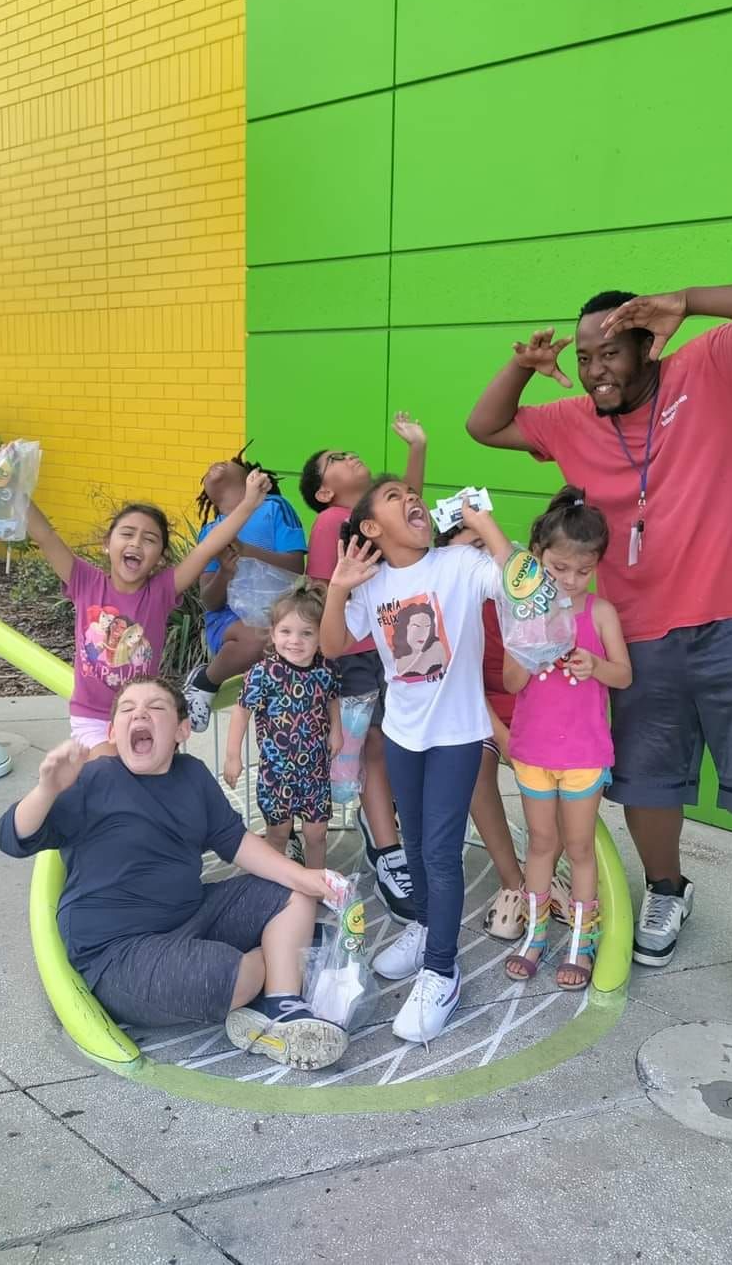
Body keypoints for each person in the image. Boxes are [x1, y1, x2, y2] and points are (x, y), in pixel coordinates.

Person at [467, 281, 732, 1036]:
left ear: (647, 345)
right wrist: (525, 368)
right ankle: (668, 889)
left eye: (611, 352)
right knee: (647, 780)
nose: (597, 369)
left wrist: (692, 300)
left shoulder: (718, 362)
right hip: (639, 631)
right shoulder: (570, 420)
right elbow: (484, 425)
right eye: (587, 355)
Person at [0, 678, 348, 1070]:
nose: (140, 714)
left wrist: (307, 879)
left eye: (156, 708)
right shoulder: (93, 779)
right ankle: (280, 962)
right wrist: (47, 790)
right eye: (127, 709)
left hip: (191, 914)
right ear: (113, 733)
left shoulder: (192, 775)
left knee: (292, 890)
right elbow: (12, 838)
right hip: (119, 951)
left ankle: (282, 1008)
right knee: (231, 977)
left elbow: (235, 841)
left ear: (182, 730)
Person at [321, 477, 512, 1044]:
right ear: (373, 528)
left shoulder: (457, 563)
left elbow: (517, 586)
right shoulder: (373, 582)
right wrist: (337, 589)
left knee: (440, 851)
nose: (412, 499)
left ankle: (442, 971)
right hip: (404, 734)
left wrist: (484, 525)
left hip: (459, 734)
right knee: (415, 845)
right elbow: (331, 645)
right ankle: (428, 926)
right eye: (393, 497)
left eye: (413, 492)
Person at [27, 470, 270, 753]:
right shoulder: (84, 581)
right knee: (108, 768)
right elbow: (45, 536)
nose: (136, 543)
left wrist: (249, 503)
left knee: (148, 779)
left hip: (143, 715)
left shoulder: (161, 591)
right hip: (94, 717)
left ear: (161, 558)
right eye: (127, 534)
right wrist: (15, 487)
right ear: (107, 544)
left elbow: (206, 549)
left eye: (149, 539)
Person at [299, 413, 427, 923]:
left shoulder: (371, 519)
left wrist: (416, 447)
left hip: (386, 647)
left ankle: (387, 834)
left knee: (387, 743)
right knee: (375, 743)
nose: (347, 456)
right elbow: (320, 594)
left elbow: (406, 513)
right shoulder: (333, 523)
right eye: (334, 461)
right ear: (325, 493)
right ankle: (387, 846)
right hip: (356, 654)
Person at [502, 489, 631, 990]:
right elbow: (512, 683)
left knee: (579, 847)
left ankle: (582, 937)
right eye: (559, 569)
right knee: (540, 844)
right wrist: (532, 651)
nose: (572, 581)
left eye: (584, 570)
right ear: (536, 557)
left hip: (583, 753)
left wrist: (595, 665)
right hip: (534, 750)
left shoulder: (601, 613)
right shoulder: (523, 613)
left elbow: (623, 675)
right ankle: (534, 935)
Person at [435, 519, 571, 941]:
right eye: (465, 552)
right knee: (472, 764)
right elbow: (462, 684)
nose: (477, 558)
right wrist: (503, 735)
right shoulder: (446, 604)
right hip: (482, 706)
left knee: (571, 766)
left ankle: (540, 879)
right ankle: (513, 882)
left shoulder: (525, 589)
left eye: (482, 545)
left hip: (539, 700)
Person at [182, 449, 306, 731]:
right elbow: (209, 602)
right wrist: (226, 572)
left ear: (252, 476)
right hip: (229, 621)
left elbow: (296, 565)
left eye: (229, 462)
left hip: (276, 613)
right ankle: (204, 682)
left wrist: (245, 550)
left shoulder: (276, 507)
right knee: (258, 639)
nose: (216, 463)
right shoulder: (209, 532)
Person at [223, 580, 342, 871]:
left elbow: (332, 699)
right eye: (286, 632)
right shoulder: (263, 674)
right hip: (276, 773)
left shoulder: (325, 670)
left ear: (319, 636)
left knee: (317, 833)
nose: (295, 641)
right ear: (273, 634)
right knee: (277, 833)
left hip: (314, 771)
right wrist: (232, 756)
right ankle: (274, 887)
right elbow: (241, 711)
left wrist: (337, 730)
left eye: (306, 633)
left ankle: (315, 887)